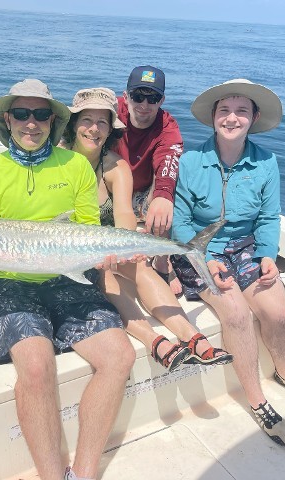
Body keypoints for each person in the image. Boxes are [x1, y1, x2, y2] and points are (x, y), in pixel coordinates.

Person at [0, 79, 136, 480]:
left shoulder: (76, 166)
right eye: (23, 114)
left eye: (41, 114)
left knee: (120, 357)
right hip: (9, 280)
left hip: (68, 277)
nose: (32, 123)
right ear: (8, 119)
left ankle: (81, 472)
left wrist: (107, 252)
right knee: (37, 366)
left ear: (52, 120)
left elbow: (87, 227)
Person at [172, 79, 285, 447]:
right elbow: (181, 222)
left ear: (254, 118)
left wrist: (267, 256)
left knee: (277, 313)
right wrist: (209, 259)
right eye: (225, 110)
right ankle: (257, 400)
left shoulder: (267, 162)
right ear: (213, 117)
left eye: (241, 111)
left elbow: (268, 217)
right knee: (237, 315)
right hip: (197, 251)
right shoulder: (190, 161)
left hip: (246, 248)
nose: (232, 118)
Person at [61, 87, 232, 372]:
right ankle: (155, 341)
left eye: (102, 122)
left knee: (143, 270)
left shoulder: (115, 167)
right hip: (69, 250)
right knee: (106, 275)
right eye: (86, 121)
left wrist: (128, 246)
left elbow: (125, 213)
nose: (94, 129)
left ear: (111, 129)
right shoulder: (57, 161)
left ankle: (192, 336)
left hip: (107, 244)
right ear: (73, 124)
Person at [114, 65, 185, 295]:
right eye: (137, 96)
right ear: (126, 96)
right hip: (111, 186)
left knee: (172, 184)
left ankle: (162, 259)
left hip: (143, 190)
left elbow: (169, 160)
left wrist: (163, 196)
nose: (144, 105)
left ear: (161, 100)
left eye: (152, 98)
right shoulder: (110, 112)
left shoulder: (167, 125)